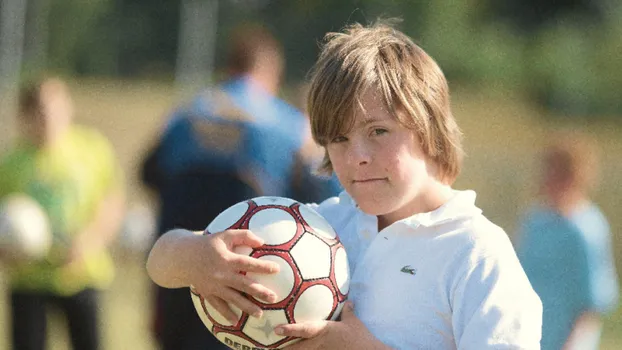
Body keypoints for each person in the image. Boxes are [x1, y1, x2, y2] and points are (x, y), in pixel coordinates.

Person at [145, 21, 543, 349]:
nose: (357, 157)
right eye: (339, 139)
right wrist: (197, 256)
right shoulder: (315, 228)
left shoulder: (476, 253)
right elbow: (161, 261)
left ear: (429, 129)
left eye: (379, 131)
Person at [141, 23, 337, 349]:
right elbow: (325, 190)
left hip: (180, 263)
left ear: (229, 68)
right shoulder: (288, 124)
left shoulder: (185, 112)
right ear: (269, 70)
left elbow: (147, 173)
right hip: (251, 276)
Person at [0, 77, 125, 350]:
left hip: (83, 276)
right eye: (41, 110)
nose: (50, 117)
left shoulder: (92, 148)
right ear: (26, 115)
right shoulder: (10, 163)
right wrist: (8, 250)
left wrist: (90, 240)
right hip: (29, 281)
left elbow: (112, 200)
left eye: (56, 107)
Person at [515, 132, 618, 350]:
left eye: (554, 172)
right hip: (528, 339)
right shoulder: (534, 221)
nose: (545, 179)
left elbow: (590, 307)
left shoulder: (587, 229)